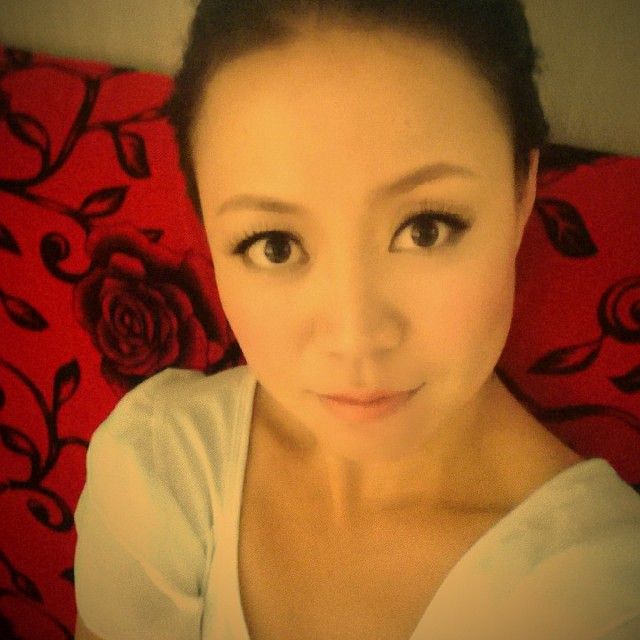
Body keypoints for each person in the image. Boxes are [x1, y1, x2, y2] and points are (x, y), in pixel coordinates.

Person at [74, 1, 640, 638]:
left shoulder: (605, 599)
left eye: (425, 229)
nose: (356, 338)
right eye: (274, 245)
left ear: (521, 193)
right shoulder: (163, 465)